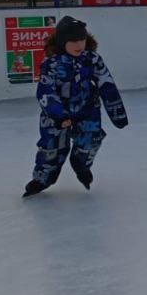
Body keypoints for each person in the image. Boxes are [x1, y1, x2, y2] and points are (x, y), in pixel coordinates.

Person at [24, 16, 128, 196]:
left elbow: (106, 84)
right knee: (51, 149)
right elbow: (45, 91)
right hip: (57, 115)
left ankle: (81, 165)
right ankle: (43, 179)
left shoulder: (92, 59)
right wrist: (59, 116)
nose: (79, 44)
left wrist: (117, 112)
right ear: (63, 41)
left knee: (91, 140)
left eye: (82, 39)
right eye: (73, 41)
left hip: (86, 109)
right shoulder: (51, 64)